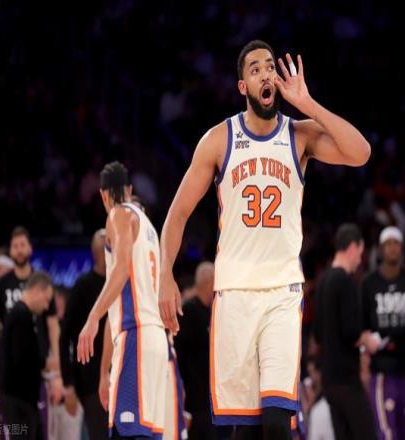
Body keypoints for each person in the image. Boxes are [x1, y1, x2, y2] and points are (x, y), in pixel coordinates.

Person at [159, 39, 371, 439]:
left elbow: (360, 152)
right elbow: (178, 213)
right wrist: (165, 275)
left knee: (276, 422)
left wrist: (307, 103)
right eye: (255, 70)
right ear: (243, 86)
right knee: (246, 428)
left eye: (270, 67)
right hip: (235, 294)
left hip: (281, 293)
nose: (265, 74)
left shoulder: (299, 134)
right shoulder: (219, 140)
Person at [77, 161, 168, 439]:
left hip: (136, 336)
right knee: (141, 432)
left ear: (103, 194)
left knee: (126, 433)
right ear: (129, 189)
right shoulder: (149, 226)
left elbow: (120, 270)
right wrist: (105, 371)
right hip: (153, 339)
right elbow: (119, 302)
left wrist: (92, 317)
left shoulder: (119, 214)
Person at [361, 226, 405, 440]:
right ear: (381, 249)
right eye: (388, 244)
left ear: (402, 248)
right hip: (381, 369)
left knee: (404, 432)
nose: (392, 248)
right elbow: (360, 325)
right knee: (386, 433)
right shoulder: (369, 283)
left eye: (396, 243)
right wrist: (363, 354)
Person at [313, 224, 378, 440]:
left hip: (328, 380)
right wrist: (367, 339)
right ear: (352, 247)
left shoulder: (323, 281)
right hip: (347, 379)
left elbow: (318, 334)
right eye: (360, 252)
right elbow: (351, 331)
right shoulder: (345, 280)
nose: (360, 259)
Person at [0, 227, 62, 413]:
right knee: (14, 425)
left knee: (35, 424)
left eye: (22, 245)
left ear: (30, 248)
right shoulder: (1, 285)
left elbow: (53, 326)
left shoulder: (42, 281)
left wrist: (57, 371)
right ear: (10, 250)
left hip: (38, 370)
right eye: (15, 246)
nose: (19, 250)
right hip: (8, 370)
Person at [60, 229, 108, 439]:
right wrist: (68, 383)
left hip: (119, 374)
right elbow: (65, 337)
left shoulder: (123, 282)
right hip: (90, 380)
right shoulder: (82, 286)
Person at [0, 271, 54, 440]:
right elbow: (22, 358)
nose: (46, 307)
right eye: (46, 300)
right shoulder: (20, 315)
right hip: (18, 402)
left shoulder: (23, 314)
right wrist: (45, 364)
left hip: (23, 401)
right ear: (37, 290)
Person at [174, 261, 216, 439]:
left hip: (208, 399)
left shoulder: (210, 312)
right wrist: (182, 405)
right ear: (210, 282)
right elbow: (179, 356)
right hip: (193, 401)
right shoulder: (189, 312)